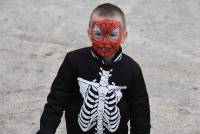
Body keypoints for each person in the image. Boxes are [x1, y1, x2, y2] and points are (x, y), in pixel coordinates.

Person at [37, 3, 151, 134]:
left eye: (113, 35)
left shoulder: (132, 69)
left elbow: (140, 113)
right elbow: (56, 101)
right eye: (98, 34)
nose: (105, 42)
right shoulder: (74, 61)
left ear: (124, 36)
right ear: (89, 33)